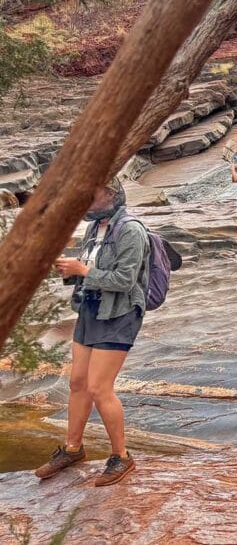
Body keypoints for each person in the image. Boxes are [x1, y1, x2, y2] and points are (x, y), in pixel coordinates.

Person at [35, 177, 150, 486]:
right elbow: (89, 271)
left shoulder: (131, 230)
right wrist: (68, 270)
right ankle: (73, 449)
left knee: (100, 388)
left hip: (119, 314)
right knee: (78, 383)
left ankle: (122, 457)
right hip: (90, 310)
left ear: (110, 194)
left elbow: (125, 280)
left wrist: (83, 270)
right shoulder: (93, 228)